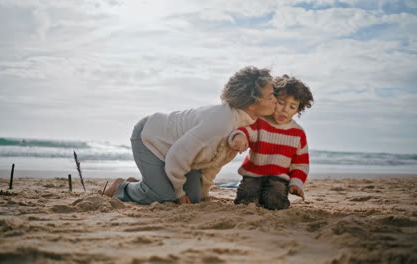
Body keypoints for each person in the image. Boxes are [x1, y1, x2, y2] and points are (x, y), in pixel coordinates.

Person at [104, 66, 277, 205]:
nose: (275, 100)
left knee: (194, 199)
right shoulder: (221, 123)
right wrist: (179, 193)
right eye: (270, 96)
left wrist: (203, 194)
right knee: (165, 198)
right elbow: (176, 157)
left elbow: (213, 164)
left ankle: (146, 184)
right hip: (150, 137)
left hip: (180, 154)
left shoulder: (244, 126)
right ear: (252, 100)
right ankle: (121, 187)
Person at [228, 75, 314, 210]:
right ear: (273, 100)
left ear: (298, 110)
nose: (285, 109)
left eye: (292, 106)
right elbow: (245, 130)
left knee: (275, 201)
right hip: (252, 174)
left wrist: (296, 183)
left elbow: (301, 163)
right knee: (246, 198)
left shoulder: (298, 133)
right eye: (281, 102)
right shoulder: (260, 122)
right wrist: (240, 136)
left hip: (279, 178)